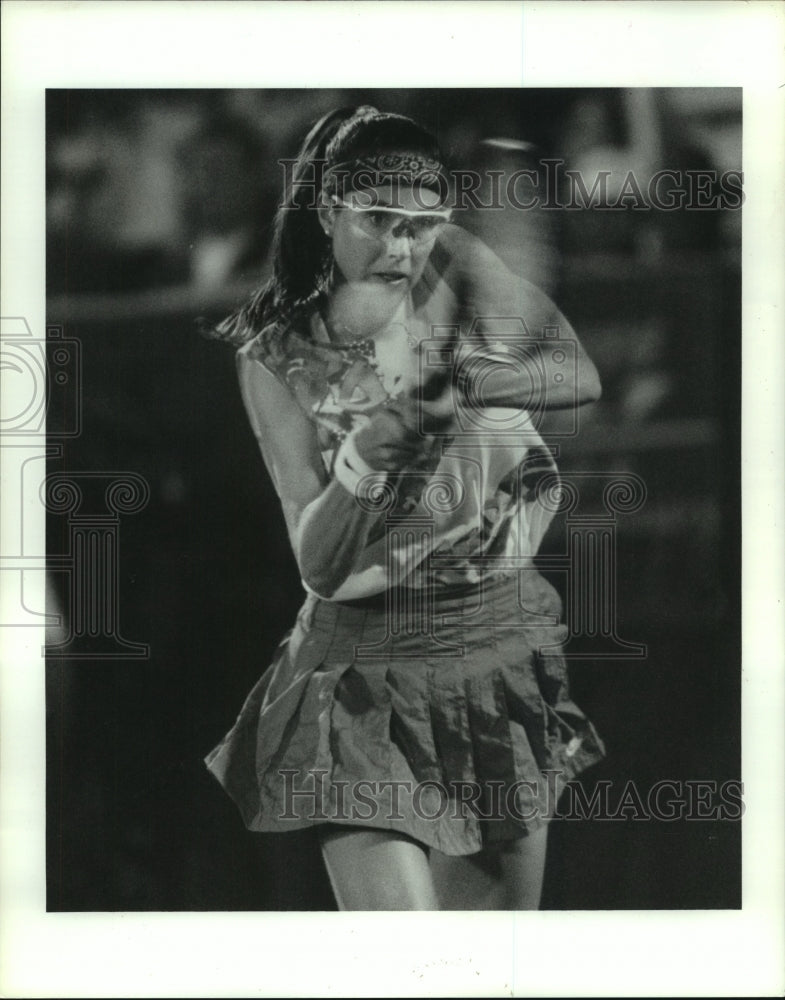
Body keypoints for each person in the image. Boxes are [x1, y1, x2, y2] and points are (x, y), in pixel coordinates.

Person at [205, 105, 605, 910]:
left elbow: (576, 378)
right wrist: (367, 459)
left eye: (420, 225)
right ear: (326, 212)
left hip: (494, 648)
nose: (400, 246)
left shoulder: (452, 259)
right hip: (361, 676)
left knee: (487, 974)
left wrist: (471, 386)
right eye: (376, 220)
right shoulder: (273, 358)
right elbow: (318, 565)